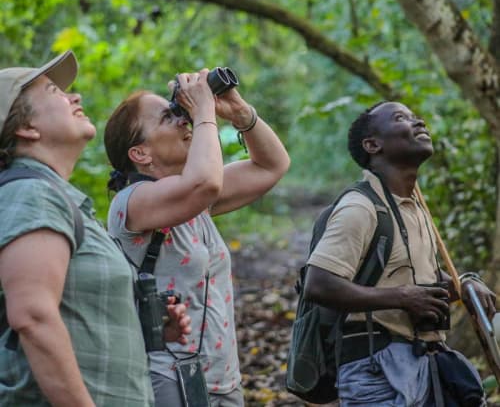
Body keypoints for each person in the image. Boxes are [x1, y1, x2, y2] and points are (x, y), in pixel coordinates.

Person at [0, 51, 191, 407]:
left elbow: (66, 312)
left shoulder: (60, 200)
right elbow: (33, 316)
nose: (75, 96)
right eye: (54, 92)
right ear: (26, 128)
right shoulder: (31, 194)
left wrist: (135, 323)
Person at [104, 68, 290, 406]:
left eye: (179, 112)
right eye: (167, 117)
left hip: (222, 376)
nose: (182, 120)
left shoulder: (195, 203)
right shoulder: (132, 203)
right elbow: (205, 183)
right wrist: (203, 110)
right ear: (140, 154)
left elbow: (271, 166)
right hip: (167, 378)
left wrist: (239, 112)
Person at [303, 101, 497, 406]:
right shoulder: (360, 209)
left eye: (416, 117)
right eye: (401, 119)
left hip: (423, 360)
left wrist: (464, 286)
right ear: (373, 145)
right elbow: (318, 284)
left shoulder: (415, 207)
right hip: (375, 373)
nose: (418, 123)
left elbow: (419, 281)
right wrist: (403, 298)